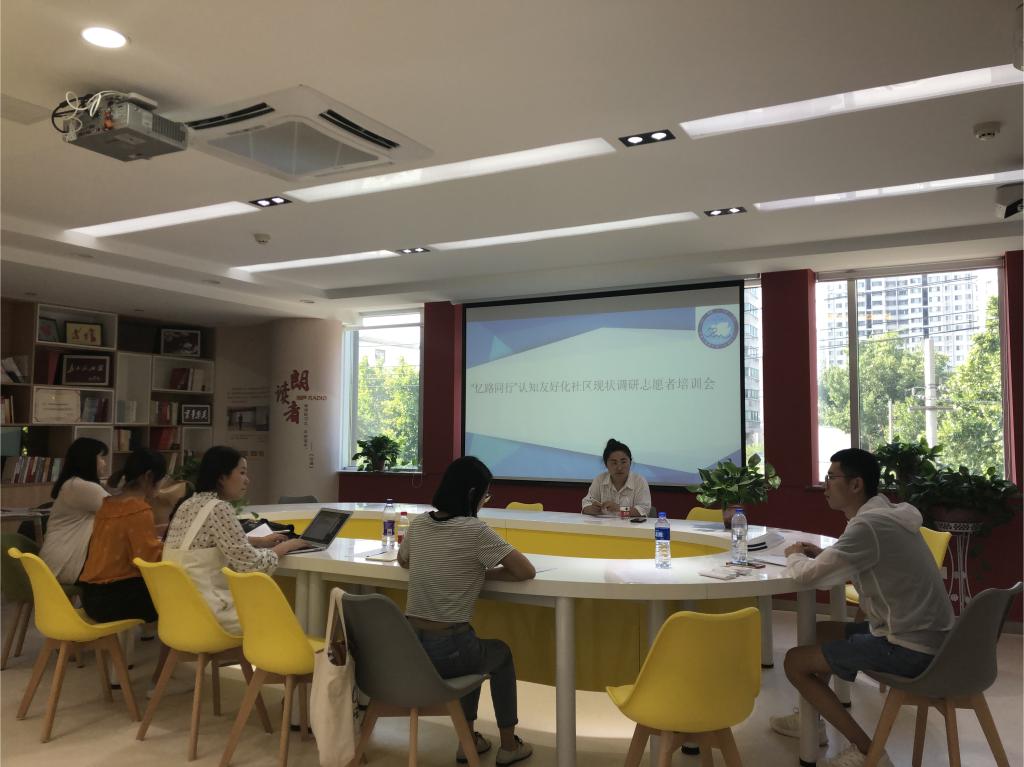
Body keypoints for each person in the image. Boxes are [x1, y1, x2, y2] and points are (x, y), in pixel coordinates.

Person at [770, 448, 954, 767]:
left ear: (856, 485)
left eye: (831, 478)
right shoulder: (886, 515)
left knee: (794, 662)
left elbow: (810, 578)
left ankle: (869, 751)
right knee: (823, 631)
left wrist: (794, 555)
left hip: (910, 648)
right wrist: (823, 557)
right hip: (932, 638)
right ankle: (811, 720)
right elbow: (862, 562)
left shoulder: (867, 527)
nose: (825, 485)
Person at [398, 456, 536, 766]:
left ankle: (468, 739)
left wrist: (463, 570)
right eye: (486, 495)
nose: (485, 502)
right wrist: (478, 572)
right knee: (498, 654)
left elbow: (404, 560)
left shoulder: (418, 524)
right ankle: (508, 746)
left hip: (412, 649)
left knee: (471, 649)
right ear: (473, 494)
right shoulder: (475, 530)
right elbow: (525, 571)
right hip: (450, 649)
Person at [162, 446, 308, 633]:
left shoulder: (188, 503)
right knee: (275, 613)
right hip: (210, 614)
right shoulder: (219, 508)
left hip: (179, 613)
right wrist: (286, 547)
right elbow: (252, 565)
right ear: (222, 477)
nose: (247, 480)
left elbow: (203, 541)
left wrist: (257, 541)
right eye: (242, 472)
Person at [78, 449, 166, 623]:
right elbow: (148, 560)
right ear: (149, 476)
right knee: (178, 595)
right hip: (115, 599)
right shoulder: (139, 509)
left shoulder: (107, 505)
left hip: (89, 596)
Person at [39, 437, 110, 584]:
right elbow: (122, 510)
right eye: (101, 457)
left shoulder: (72, 484)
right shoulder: (81, 487)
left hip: (58, 560)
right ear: (88, 460)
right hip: (66, 563)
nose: (104, 463)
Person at [581, 438, 651, 517]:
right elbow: (586, 504)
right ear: (606, 464)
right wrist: (592, 509)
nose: (619, 468)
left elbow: (643, 510)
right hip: (605, 524)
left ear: (630, 463)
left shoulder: (639, 481)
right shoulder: (600, 479)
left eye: (623, 462)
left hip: (629, 524)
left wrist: (620, 509)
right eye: (614, 463)